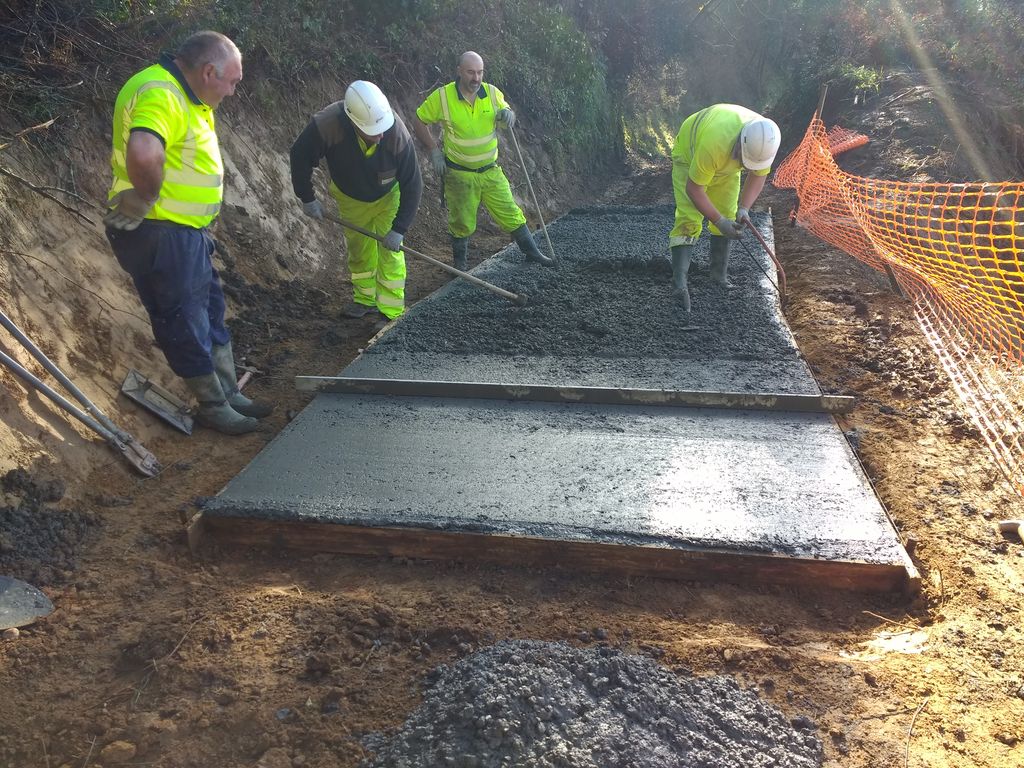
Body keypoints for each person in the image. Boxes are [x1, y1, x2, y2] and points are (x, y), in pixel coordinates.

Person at [104, 30, 272, 436]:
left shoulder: (190, 94)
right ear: (209, 71)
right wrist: (146, 197)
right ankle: (213, 405)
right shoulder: (162, 93)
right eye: (232, 82)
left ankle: (229, 393)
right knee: (183, 319)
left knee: (210, 310)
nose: (233, 91)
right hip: (162, 233)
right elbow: (145, 153)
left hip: (185, 234)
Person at [290, 81, 423, 325]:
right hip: (351, 197)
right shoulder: (329, 124)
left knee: (390, 254)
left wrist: (399, 229)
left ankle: (391, 312)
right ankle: (365, 299)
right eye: (374, 131)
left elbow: (413, 184)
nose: (381, 135)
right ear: (354, 123)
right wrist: (306, 197)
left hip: (387, 197)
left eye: (382, 128)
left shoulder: (395, 133)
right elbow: (299, 155)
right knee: (359, 251)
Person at [413, 50, 553, 270]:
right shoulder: (442, 97)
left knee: (510, 211)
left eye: (479, 72)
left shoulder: (491, 92)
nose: (476, 78)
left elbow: (507, 114)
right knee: (461, 221)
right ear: (459, 71)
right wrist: (433, 151)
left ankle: (532, 252)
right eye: (470, 72)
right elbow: (419, 120)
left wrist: (509, 116)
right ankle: (460, 267)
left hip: (490, 171)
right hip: (460, 174)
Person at [669, 104, 781, 312]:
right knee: (689, 218)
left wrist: (744, 208)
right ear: (740, 144)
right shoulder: (715, 145)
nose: (747, 167)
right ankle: (679, 284)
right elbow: (694, 190)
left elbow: (758, 176)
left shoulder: (765, 141)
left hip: (725, 166)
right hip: (690, 155)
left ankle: (718, 276)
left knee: (728, 212)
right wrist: (718, 222)